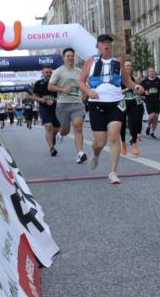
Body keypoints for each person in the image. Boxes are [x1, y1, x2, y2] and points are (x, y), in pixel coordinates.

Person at [78, 34, 134, 185]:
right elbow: (81, 81)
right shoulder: (90, 61)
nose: (106, 44)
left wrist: (136, 87)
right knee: (100, 142)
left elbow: (126, 80)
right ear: (98, 46)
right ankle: (95, 154)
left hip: (116, 102)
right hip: (97, 103)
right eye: (103, 42)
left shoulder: (118, 61)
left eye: (108, 42)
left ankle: (113, 173)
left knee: (114, 136)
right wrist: (89, 92)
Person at [50, 48, 88, 164]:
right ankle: (61, 134)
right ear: (64, 57)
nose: (70, 58)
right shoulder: (58, 71)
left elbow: (84, 85)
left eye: (72, 56)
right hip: (63, 104)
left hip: (77, 103)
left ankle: (80, 153)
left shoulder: (79, 71)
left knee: (78, 126)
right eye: (68, 56)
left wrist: (85, 93)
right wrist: (63, 89)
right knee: (66, 130)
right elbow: (50, 86)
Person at [32, 66, 59, 155]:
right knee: (48, 126)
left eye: (50, 72)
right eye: (46, 72)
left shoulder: (57, 83)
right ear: (43, 74)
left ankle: (54, 137)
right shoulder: (38, 83)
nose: (48, 74)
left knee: (56, 128)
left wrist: (54, 100)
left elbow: (62, 94)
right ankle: (51, 148)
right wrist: (40, 99)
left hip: (56, 108)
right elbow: (34, 96)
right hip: (44, 108)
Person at [119, 59, 144, 156]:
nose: (129, 67)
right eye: (127, 66)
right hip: (122, 103)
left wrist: (138, 90)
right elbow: (117, 92)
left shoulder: (133, 79)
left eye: (130, 66)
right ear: (123, 68)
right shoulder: (119, 78)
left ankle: (134, 144)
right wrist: (127, 89)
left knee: (133, 123)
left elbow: (138, 91)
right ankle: (123, 142)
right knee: (123, 124)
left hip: (132, 102)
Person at [141, 67, 160, 138]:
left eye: (153, 71)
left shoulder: (159, 80)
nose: (152, 73)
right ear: (148, 73)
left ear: (155, 72)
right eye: (150, 72)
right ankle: (148, 126)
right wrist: (145, 92)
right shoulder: (144, 81)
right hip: (149, 101)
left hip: (157, 101)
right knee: (152, 116)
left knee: (156, 117)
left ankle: (152, 133)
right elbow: (141, 91)